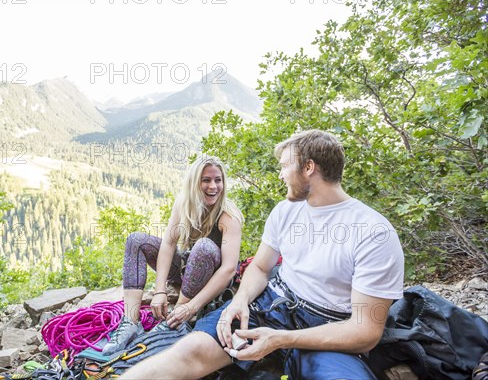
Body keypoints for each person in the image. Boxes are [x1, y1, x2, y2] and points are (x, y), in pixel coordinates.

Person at [119, 130, 405, 379]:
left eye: (284, 167)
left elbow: (366, 332)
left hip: (330, 328)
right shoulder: (285, 211)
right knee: (189, 353)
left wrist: (279, 340)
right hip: (270, 307)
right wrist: (240, 301)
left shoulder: (373, 232)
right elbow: (259, 268)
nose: (281, 174)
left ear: (308, 168)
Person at [102, 156, 243, 355]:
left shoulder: (229, 216)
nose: (213, 186)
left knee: (203, 246)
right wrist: (159, 291)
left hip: (214, 277)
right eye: (206, 180)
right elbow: (168, 244)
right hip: (188, 267)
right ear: (195, 183)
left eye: (218, 180)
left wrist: (190, 308)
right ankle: (131, 321)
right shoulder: (184, 205)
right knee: (136, 240)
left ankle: (177, 319)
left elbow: (228, 269)